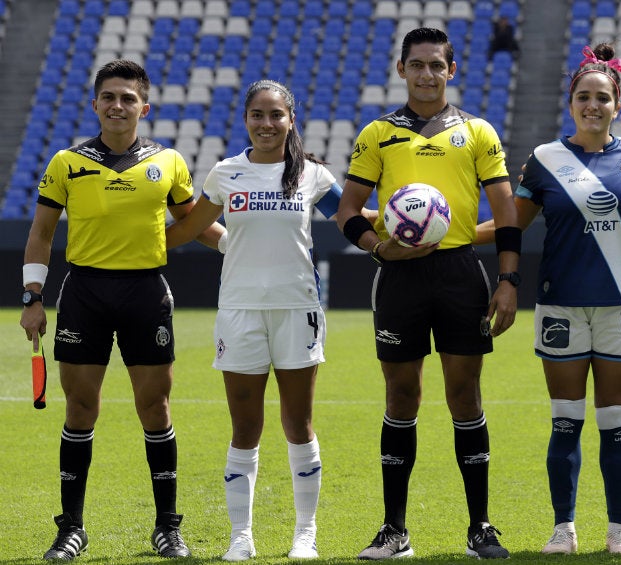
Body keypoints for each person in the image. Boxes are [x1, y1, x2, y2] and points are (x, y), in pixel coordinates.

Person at [18, 59, 223, 560]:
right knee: (81, 409)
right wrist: (32, 297)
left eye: (128, 98)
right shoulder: (66, 162)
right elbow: (42, 234)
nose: (117, 105)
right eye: (109, 97)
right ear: (95, 105)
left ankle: (167, 528)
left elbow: (194, 223)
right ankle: (71, 527)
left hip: (146, 294)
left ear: (144, 107)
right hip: (85, 295)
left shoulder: (170, 162)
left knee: (155, 409)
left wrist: (243, 247)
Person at [335, 27, 520, 561]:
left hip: (461, 272)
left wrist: (508, 281)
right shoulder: (377, 134)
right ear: (402, 70)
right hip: (399, 278)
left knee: (465, 396)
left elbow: (506, 214)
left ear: (451, 71)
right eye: (417, 64)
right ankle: (394, 530)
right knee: (401, 396)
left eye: (437, 65)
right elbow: (348, 210)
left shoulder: (478, 132)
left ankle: (480, 527)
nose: (427, 74)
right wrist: (377, 247)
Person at [163, 80, 350, 561]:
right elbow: (189, 226)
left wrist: (403, 217)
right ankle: (240, 536)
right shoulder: (227, 173)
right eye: (258, 115)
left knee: (298, 423)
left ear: (291, 120)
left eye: (276, 115)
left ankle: (304, 534)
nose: (267, 124)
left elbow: (352, 217)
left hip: (297, 309)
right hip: (239, 310)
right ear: (246, 119)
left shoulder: (312, 175)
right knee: (244, 426)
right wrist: (219, 240)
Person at [502, 44, 621, 557]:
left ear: (617, 104)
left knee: (615, 422)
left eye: (602, 97)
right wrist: (440, 233)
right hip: (561, 307)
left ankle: (619, 528)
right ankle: (564, 528)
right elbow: (511, 225)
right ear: (570, 103)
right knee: (566, 420)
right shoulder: (545, 160)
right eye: (583, 97)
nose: (592, 105)